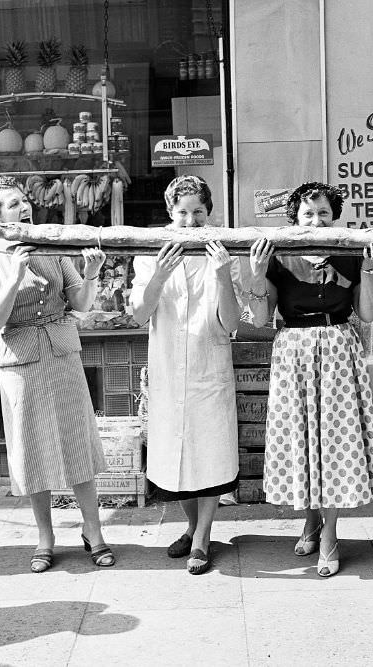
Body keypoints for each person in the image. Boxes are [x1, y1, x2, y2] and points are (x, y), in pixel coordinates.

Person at [0, 177, 115, 573]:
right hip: (19, 360)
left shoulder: (54, 245)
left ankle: (94, 531)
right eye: (13, 204)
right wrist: (14, 277)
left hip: (62, 351)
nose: (23, 207)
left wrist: (91, 273)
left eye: (24, 200)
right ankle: (45, 537)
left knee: (77, 441)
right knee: (31, 449)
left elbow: (80, 304)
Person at [248, 181, 373, 578]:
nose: (316, 220)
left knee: (334, 443)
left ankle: (329, 534)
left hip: (338, 351)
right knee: (304, 438)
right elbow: (260, 319)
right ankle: (310, 520)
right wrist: (257, 276)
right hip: (293, 350)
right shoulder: (277, 257)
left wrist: (367, 270)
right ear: (294, 219)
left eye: (324, 213)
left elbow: (365, 313)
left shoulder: (349, 255)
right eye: (308, 214)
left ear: (335, 217)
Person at [130, 175, 242, 575]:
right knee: (176, 457)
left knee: (208, 454)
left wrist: (223, 274)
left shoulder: (224, 251)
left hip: (208, 368)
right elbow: (139, 314)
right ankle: (192, 526)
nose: (191, 221)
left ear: (209, 212)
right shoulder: (149, 252)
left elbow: (231, 322)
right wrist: (159, 274)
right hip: (167, 368)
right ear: (169, 213)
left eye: (198, 212)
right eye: (182, 213)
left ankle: (202, 538)